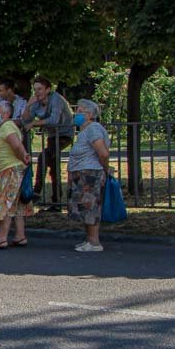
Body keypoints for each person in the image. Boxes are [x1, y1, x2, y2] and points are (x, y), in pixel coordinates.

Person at [21, 76, 74, 206]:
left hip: (64, 134)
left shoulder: (56, 99)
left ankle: (37, 191)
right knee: (53, 166)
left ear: (48, 89)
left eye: (40, 89)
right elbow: (25, 121)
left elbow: (54, 120)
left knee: (43, 156)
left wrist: (35, 123)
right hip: (52, 136)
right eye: (35, 89)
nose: (37, 92)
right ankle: (56, 201)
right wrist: (28, 105)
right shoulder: (36, 102)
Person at [0, 98, 33, 249]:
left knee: (5, 202)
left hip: (10, 169)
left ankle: (2, 238)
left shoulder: (7, 127)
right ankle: (20, 236)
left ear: (6, 114)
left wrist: (23, 156)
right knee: (17, 204)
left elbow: (16, 145)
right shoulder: (8, 126)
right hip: (14, 168)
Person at [67, 99, 112, 252]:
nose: (76, 114)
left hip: (90, 173)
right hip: (82, 173)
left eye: (80, 111)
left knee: (90, 206)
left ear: (89, 114)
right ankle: (89, 239)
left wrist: (105, 169)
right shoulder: (86, 131)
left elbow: (103, 153)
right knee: (84, 207)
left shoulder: (93, 129)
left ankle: (94, 242)